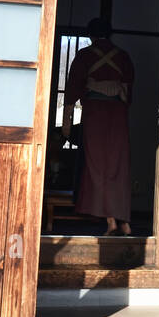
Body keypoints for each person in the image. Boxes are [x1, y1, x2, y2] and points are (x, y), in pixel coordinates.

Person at [62, 18, 135, 236]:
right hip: (117, 115)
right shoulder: (122, 56)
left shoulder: (85, 56)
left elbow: (72, 88)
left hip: (94, 113)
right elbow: (128, 91)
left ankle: (111, 221)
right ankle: (124, 222)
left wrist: (67, 122)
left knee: (96, 166)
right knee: (118, 166)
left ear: (91, 35)